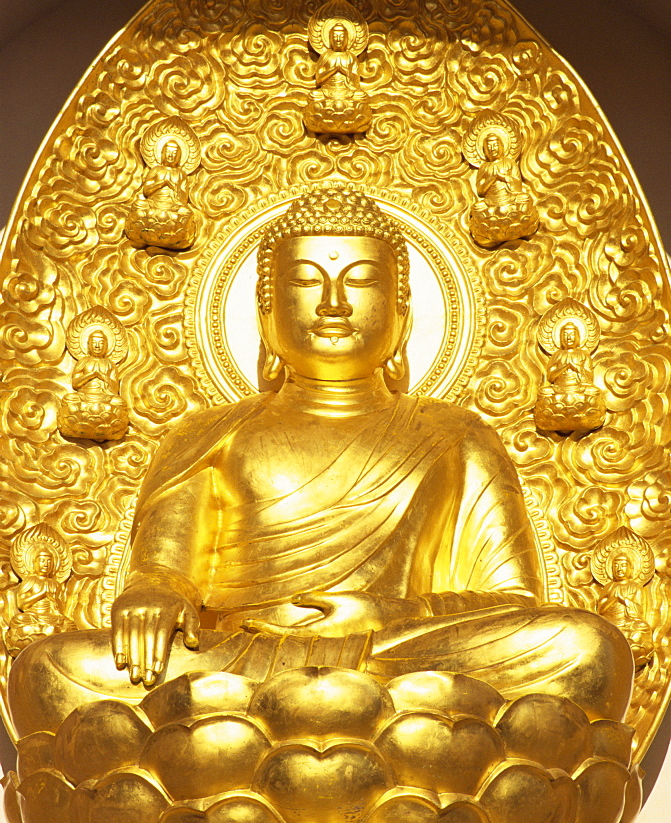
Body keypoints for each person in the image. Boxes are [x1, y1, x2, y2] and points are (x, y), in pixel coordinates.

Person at [8, 188, 633, 738]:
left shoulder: (456, 436)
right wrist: (153, 594)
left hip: (396, 650)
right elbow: (163, 576)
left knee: (587, 649)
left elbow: (516, 603)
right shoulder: (209, 434)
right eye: (306, 281)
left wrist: (395, 614)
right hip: (243, 659)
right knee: (51, 671)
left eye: (360, 281)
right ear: (265, 313)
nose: (333, 303)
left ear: (403, 313)